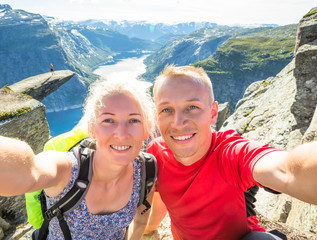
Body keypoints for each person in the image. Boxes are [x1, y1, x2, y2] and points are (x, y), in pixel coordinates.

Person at [144, 65, 317, 240]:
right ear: (156, 116)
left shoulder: (231, 154)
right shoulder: (157, 152)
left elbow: (287, 171)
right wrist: (150, 229)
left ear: (213, 113)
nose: (178, 122)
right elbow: (163, 194)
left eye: (192, 107)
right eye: (166, 110)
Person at [0, 78, 156, 239]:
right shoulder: (67, 171)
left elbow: (140, 222)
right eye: (108, 120)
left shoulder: (146, 170)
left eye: (134, 120)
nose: (122, 134)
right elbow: (29, 172)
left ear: (147, 129)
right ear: (92, 130)